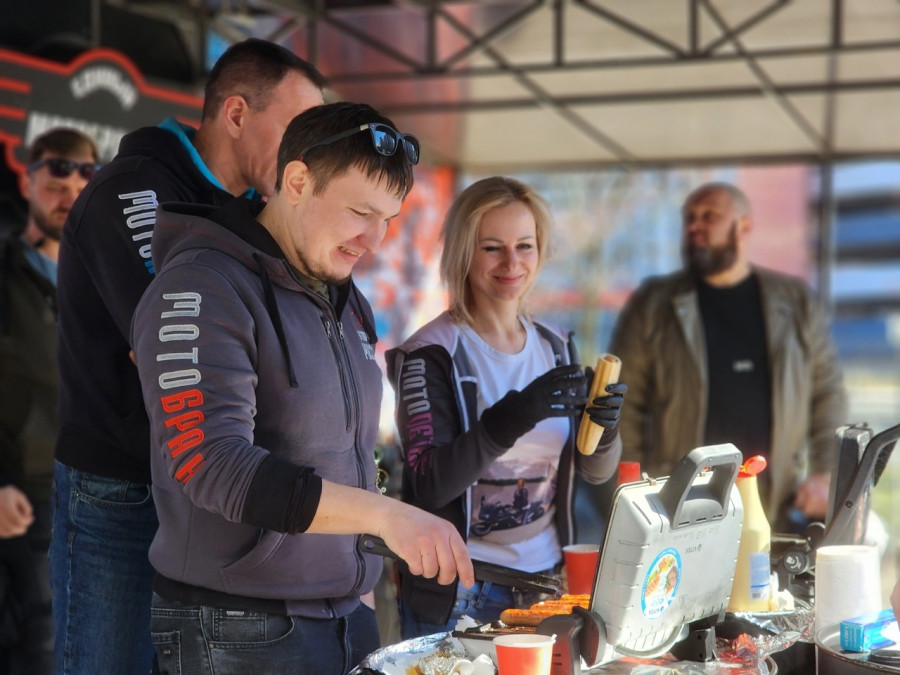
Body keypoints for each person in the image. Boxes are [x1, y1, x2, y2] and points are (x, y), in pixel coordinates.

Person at [129, 100, 474, 674]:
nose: (375, 239)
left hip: (345, 616)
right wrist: (386, 516)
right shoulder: (201, 284)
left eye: (389, 218)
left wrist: (360, 585)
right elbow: (212, 465)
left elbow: (349, 457)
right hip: (238, 629)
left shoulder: (344, 296)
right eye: (360, 211)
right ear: (296, 181)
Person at [51, 39, 327, 674]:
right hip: (120, 489)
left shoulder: (257, 214)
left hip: (214, 492)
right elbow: (176, 348)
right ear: (236, 114)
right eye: (295, 130)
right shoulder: (130, 189)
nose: (305, 155)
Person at [385, 176, 626, 638]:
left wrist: (606, 430)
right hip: (461, 592)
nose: (512, 263)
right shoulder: (430, 354)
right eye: (492, 248)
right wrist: (513, 417)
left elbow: (595, 471)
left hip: (545, 585)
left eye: (524, 246)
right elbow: (429, 485)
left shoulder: (556, 345)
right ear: (464, 253)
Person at [609, 181, 847, 530]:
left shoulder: (795, 303)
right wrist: (634, 492)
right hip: (680, 504)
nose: (695, 226)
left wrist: (825, 474)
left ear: (743, 227)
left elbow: (826, 394)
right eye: (690, 218)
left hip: (777, 502)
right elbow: (623, 403)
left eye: (709, 216)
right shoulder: (655, 305)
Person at [0, 127, 99, 674]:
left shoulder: (108, 278)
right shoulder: (6, 271)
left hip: (100, 498)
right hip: (23, 500)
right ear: (28, 181)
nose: (70, 193)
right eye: (57, 178)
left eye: (85, 180)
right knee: (38, 651)